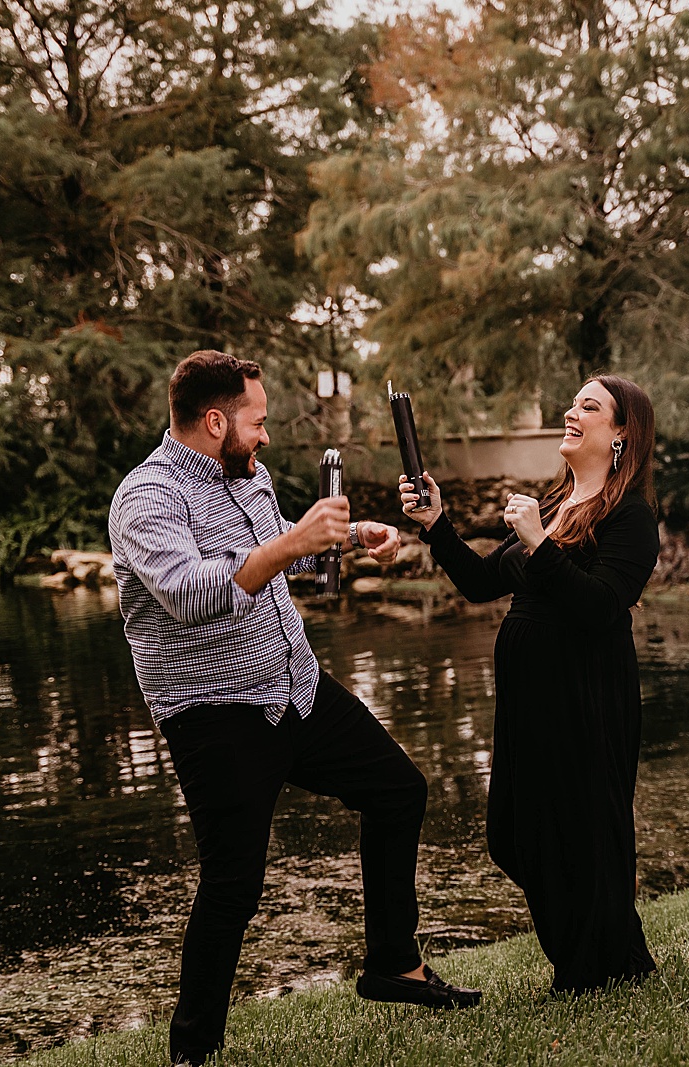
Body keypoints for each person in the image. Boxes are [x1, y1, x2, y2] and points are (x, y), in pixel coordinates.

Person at [109, 350, 481, 1066]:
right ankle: (193, 1051)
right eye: (258, 421)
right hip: (214, 713)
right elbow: (188, 592)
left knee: (399, 790)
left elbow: (274, 551)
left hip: (297, 687)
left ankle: (392, 966)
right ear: (215, 421)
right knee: (233, 883)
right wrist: (294, 540)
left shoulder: (250, 476)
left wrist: (343, 538)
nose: (268, 435)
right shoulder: (147, 497)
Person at [398, 375, 660, 995]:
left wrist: (539, 543)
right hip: (531, 700)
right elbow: (482, 583)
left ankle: (591, 969)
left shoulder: (631, 518)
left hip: (587, 693)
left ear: (622, 434)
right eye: (571, 401)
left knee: (586, 830)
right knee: (516, 833)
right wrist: (436, 524)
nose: (570, 413)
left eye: (588, 407)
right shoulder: (554, 503)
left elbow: (600, 607)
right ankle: (606, 956)